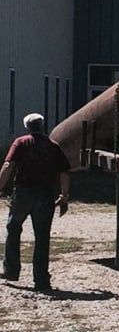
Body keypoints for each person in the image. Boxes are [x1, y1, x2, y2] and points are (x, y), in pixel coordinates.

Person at [1, 113, 71, 293]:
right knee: (42, 237)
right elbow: (64, 172)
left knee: (13, 228)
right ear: (42, 126)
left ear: (27, 127)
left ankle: (11, 270)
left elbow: (8, 166)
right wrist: (64, 195)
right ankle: (41, 280)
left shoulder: (21, 142)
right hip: (46, 195)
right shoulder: (52, 146)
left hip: (23, 193)